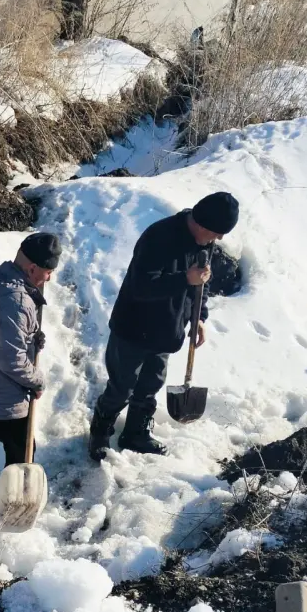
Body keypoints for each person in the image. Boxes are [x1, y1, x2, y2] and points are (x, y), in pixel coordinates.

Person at [89, 192, 240, 462]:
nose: (218, 240)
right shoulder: (158, 236)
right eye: (217, 233)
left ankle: (135, 432)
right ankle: (100, 428)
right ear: (204, 225)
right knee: (122, 385)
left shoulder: (204, 244)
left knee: (150, 384)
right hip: (133, 328)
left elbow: (201, 283)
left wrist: (199, 317)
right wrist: (185, 278)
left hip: (167, 330)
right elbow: (141, 286)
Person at [0, 232, 62, 514]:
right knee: (21, 453)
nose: (49, 278)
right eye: (47, 272)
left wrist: (30, 337)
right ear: (32, 269)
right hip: (5, 398)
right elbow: (12, 361)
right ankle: (13, 507)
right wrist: (37, 379)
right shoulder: (16, 301)